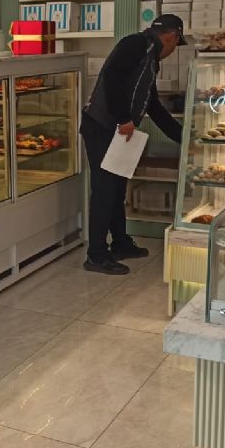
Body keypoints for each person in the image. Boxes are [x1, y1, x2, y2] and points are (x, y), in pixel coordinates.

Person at [81, 14, 185, 275]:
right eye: (176, 44)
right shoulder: (136, 44)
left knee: (117, 190)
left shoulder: (150, 59)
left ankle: (121, 244)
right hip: (101, 128)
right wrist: (124, 118)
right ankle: (96, 255)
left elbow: (153, 105)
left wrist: (184, 137)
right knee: (104, 191)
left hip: (116, 131)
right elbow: (112, 78)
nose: (174, 50)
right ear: (170, 36)